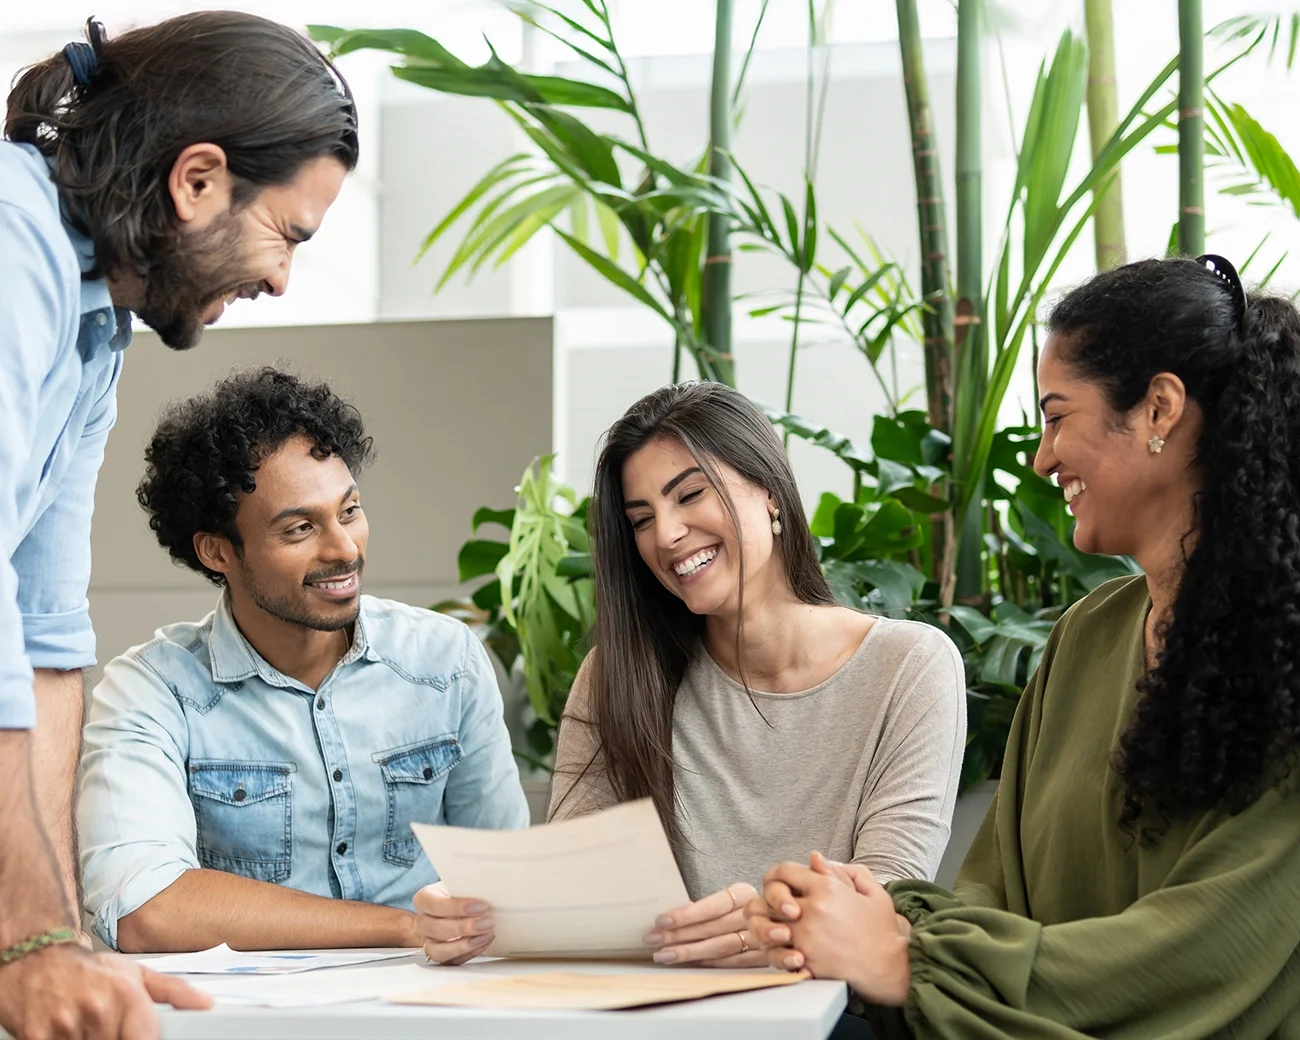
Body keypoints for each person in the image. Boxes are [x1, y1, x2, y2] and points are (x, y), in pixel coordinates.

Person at [746, 255, 1300, 1038]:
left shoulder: (1284, 656)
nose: (1042, 458)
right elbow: (991, 891)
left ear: (1159, 410)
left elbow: (1206, 952)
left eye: (1055, 415)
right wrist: (853, 912)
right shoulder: (1086, 637)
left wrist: (909, 963)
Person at [0, 11, 357, 1035]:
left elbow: (48, 637)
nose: (283, 279)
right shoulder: (11, 241)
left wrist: (55, 939)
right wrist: (28, 939)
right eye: (286, 235)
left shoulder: (97, 320)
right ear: (197, 180)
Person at [415, 381, 966, 968]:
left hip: (831, 1015)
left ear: (770, 493)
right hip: (655, 1014)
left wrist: (764, 932)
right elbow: (572, 890)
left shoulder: (909, 666)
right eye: (642, 519)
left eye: (690, 495)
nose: (667, 535)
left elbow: (887, 901)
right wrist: (470, 912)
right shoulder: (617, 676)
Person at [77, 368, 530, 953]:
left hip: (432, 1009)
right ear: (217, 551)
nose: (344, 549)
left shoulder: (445, 660)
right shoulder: (153, 690)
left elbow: (509, 883)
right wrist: (401, 928)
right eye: (299, 528)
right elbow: (144, 907)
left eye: (349, 511)